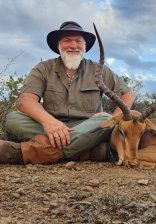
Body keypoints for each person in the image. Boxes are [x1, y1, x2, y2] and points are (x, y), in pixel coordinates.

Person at [0, 21, 135, 164]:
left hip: (88, 127)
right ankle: (84, 151)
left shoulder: (98, 70)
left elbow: (128, 95)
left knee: (104, 120)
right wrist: (49, 122)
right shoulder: (43, 68)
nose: (73, 45)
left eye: (78, 41)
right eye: (67, 40)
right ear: (58, 46)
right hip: (49, 127)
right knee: (13, 119)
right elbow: (25, 100)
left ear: (85, 46)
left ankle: (22, 153)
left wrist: (113, 119)